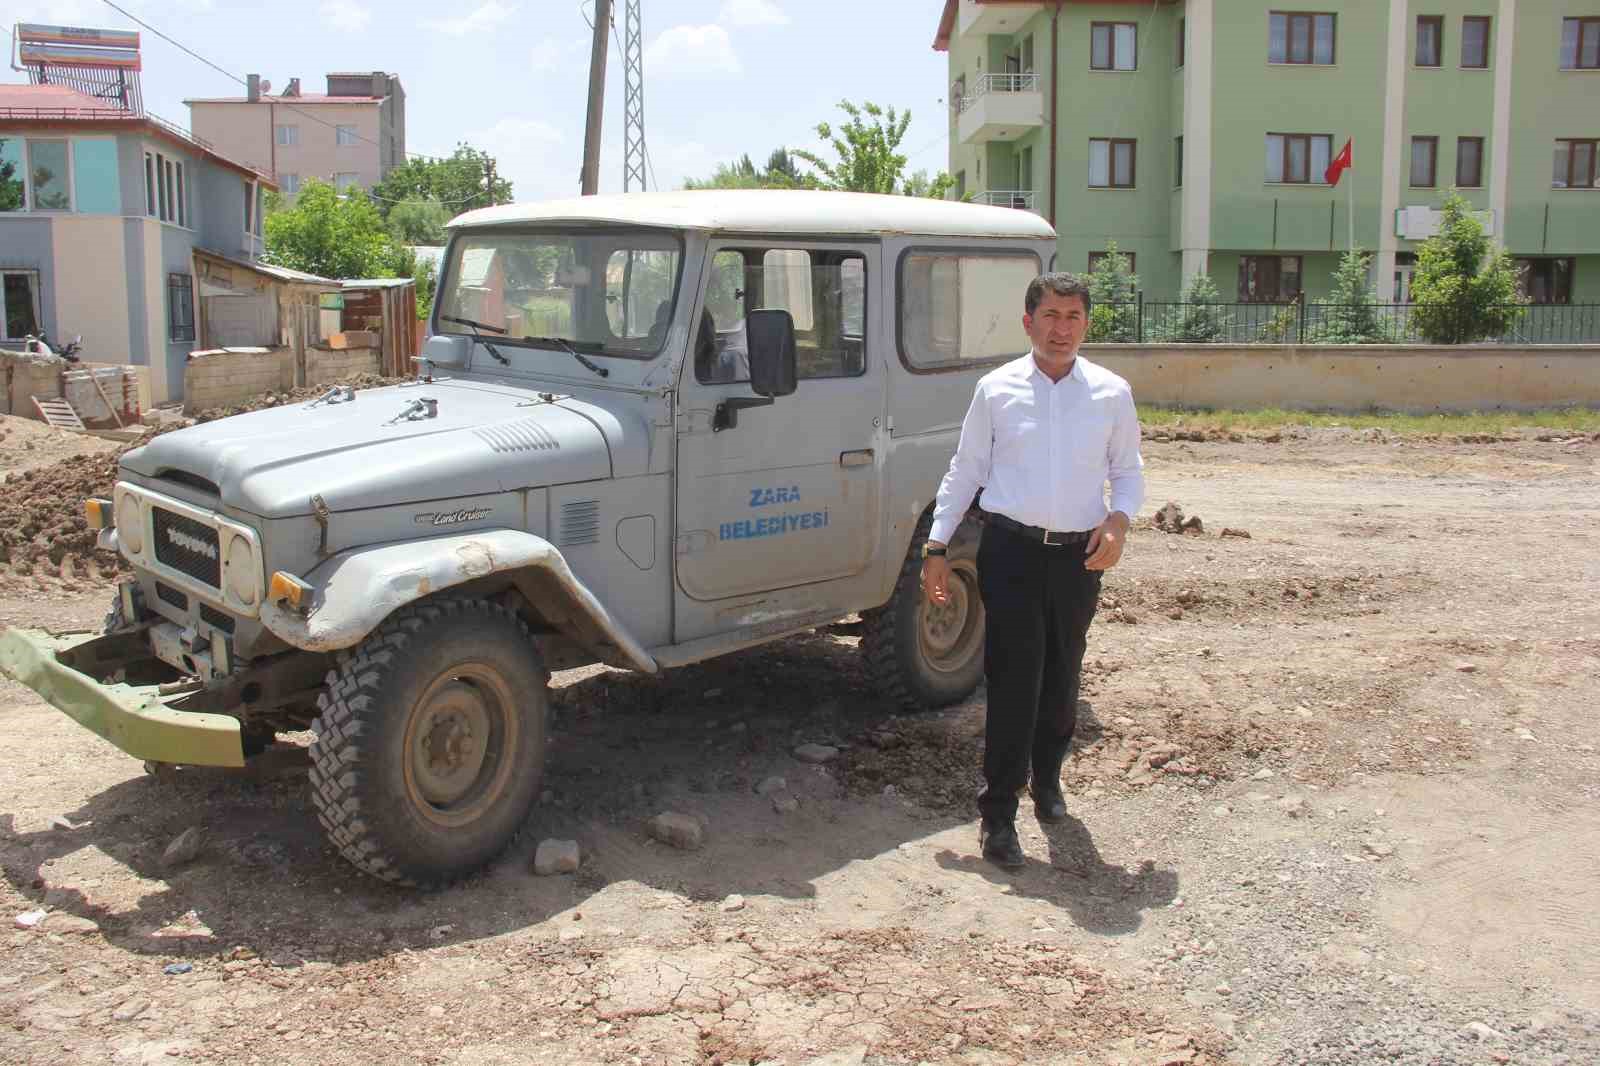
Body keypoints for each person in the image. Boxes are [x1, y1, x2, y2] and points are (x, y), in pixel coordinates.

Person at [921, 272, 1145, 870]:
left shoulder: (1111, 393)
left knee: (1063, 675)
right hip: (1012, 552)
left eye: (1073, 316)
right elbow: (964, 471)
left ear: (1087, 323)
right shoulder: (996, 391)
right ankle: (998, 816)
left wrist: (1119, 523)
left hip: (1078, 558)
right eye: (1050, 316)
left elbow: (1128, 472)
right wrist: (936, 546)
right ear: (1028, 322)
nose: (1062, 328)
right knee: (1015, 679)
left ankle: (1048, 779)